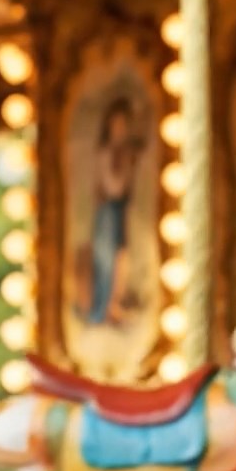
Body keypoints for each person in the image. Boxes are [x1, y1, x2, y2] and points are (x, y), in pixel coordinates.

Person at [83, 96, 141, 327]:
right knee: (106, 260)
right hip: (108, 209)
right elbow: (113, 185)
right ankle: (103, 307)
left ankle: (114, 305)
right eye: (116, 126)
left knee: (120, 258)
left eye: (123, 126)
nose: (120, 130)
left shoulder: (126, 153)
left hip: (120, 208)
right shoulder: (108, 154)